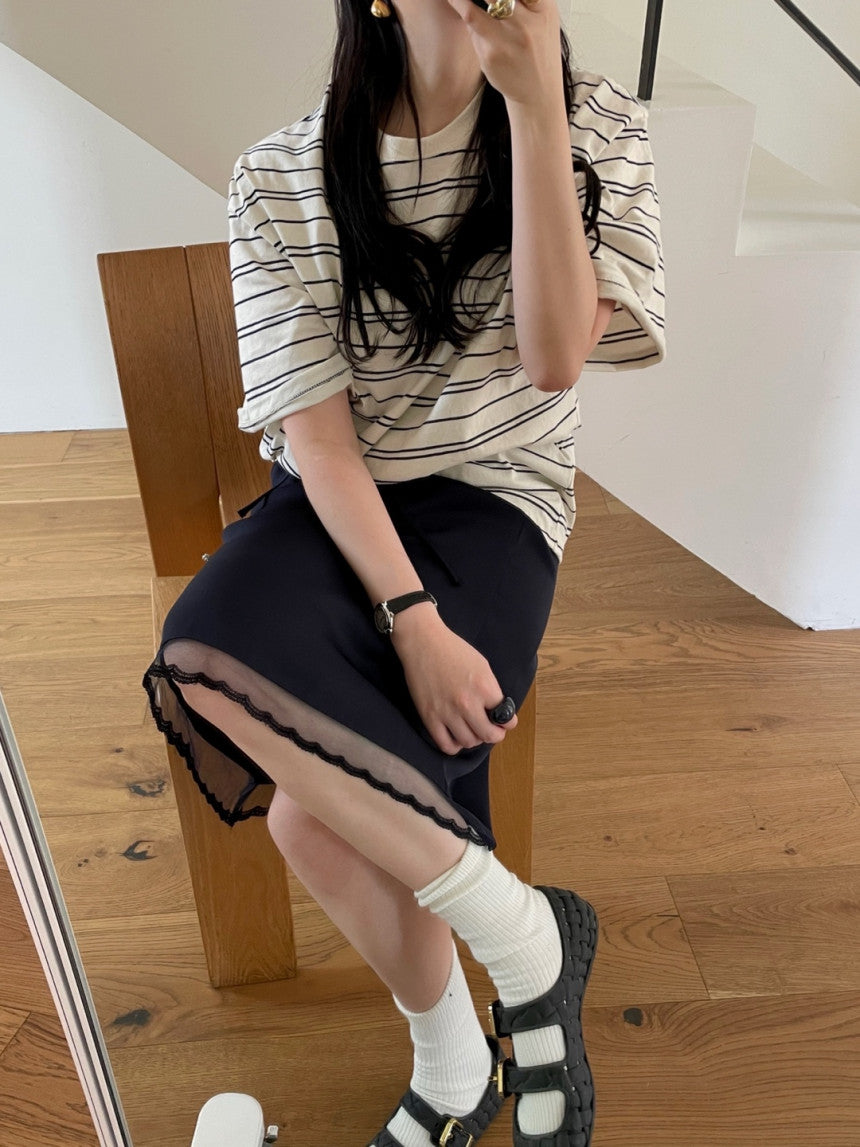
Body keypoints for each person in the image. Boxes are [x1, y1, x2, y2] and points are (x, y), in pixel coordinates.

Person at [141, 0, 666, 1143]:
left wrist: (534, 111)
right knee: (198, 657)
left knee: (307, 824)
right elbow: (322, 446)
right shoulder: (279, 173)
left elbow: (552, 358)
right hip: (335, 502)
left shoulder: (597, 126)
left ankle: (449, 1071)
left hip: (496, 504)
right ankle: (523, 936)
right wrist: (412, 621)